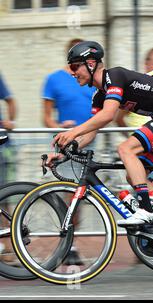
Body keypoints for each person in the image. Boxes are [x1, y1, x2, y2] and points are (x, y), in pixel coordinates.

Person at [49, 41, 153, 226]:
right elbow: (91, 133)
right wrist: (62, 154)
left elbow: (108, 115)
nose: (71, 72)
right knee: (134, 173)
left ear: (91, 63)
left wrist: (73, 131)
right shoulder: (99, 96)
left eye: (74, 66)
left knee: (126, 149)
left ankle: (146, 211)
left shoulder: (114, 76)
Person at [42, 38, 97, 265]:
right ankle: (66, 245)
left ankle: (70, 245)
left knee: (79, 195)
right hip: (65, 143)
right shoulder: (53, 79)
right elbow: (45, 117)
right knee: (65, 194)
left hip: (90, 140)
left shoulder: (92, 80)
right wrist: (59, 127)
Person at [115, 48, 153, 130]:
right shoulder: (136, 87)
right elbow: (118, 119)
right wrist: (131, 136)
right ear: (147, 64)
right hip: (140, 140)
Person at [0, 72, 17, 263]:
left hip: (1, 148)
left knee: (3, 197)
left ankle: (10, 250)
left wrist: (10, 122)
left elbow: (10, 101)